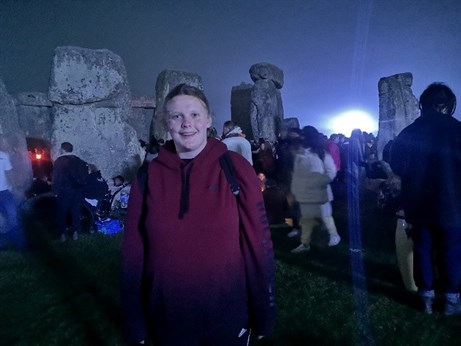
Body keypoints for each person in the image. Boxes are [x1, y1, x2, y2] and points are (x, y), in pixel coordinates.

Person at [121, 84, 276, 345]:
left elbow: (258, 244)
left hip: (227, 314)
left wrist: (265, 310)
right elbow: (133, 254)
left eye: (194, 114)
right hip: (166, 317)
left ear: (208, 120)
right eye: (176, 116)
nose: (186, 124)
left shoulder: (235, 168)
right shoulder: (148, 176)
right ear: (166, 123)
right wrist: (134, 319)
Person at [390, 82, 461, 315]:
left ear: (424, 103)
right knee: (451, 250)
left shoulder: (410, 132)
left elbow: (397, 164)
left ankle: (426, 298)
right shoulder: (458, 130)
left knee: (422, 248)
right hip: (452, 205)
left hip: (418, 203)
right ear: (448, 105)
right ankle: (451, 299)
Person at [290, 125, 341, 253]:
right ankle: (305, 244)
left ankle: (334, 236)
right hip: (306, 192)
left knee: (326, 217)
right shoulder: (301, 153)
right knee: (306, 219)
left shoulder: (322, 153)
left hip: (320, 191)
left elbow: (331, 172)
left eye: (304, 136)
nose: (302, 138)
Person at [52, 142, 88, 242]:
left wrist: (55, 191)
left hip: (64, 191)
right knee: (75, 211)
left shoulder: (59, 161)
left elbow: (56, 177)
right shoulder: (80, 161)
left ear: (63, 149)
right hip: (77, 191)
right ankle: (76, 232)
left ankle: (62, 234)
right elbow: (84, 177)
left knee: (61, 212)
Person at [0, 137, 25, 250]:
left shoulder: (3, 156)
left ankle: (20, 245)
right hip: (5, 194)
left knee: (13, 217)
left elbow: (9, 174)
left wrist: (15, 187)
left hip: (5, 193)